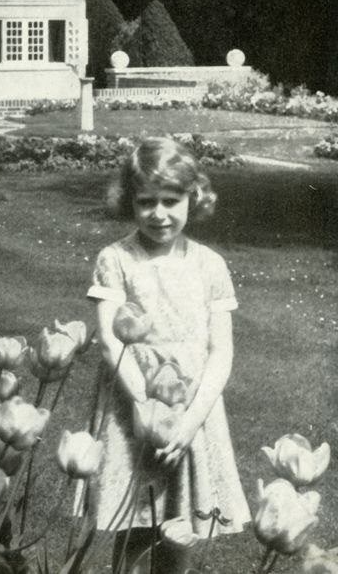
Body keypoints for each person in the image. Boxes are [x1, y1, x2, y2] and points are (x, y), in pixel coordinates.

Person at [84, 137, 250, 574]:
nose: (159, 213)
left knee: (179, 525)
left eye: (171, 201)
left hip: (193, 409)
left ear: (192, 200)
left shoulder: (209, 264)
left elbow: (221, 351)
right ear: (130, 203)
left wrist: (192, 420)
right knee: (133, 522)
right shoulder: (116, 259)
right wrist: (145, 407)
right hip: (131, 403)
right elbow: (109, 339)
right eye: (147, 202)